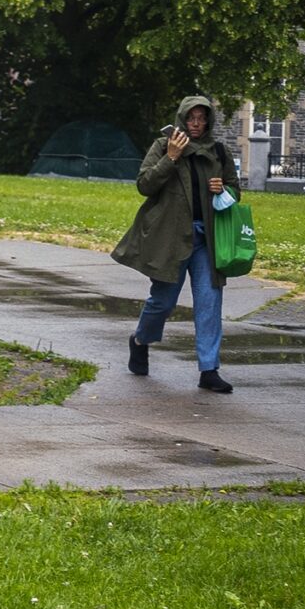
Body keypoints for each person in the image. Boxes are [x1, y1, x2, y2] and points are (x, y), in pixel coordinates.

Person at [112, 95, 240, 393]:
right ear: (182, 118)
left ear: (208, 121)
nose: (196, 124)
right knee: (163, 302)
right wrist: (171, 157)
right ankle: (140, 340)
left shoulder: (218, 151)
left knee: (210, 303)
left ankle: (209, 369)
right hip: (171, 237)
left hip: (206, 239)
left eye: (202, 118)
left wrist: (224, 188)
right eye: (191, 118)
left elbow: (235, 189)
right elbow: (144, 185)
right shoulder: (163, 146)